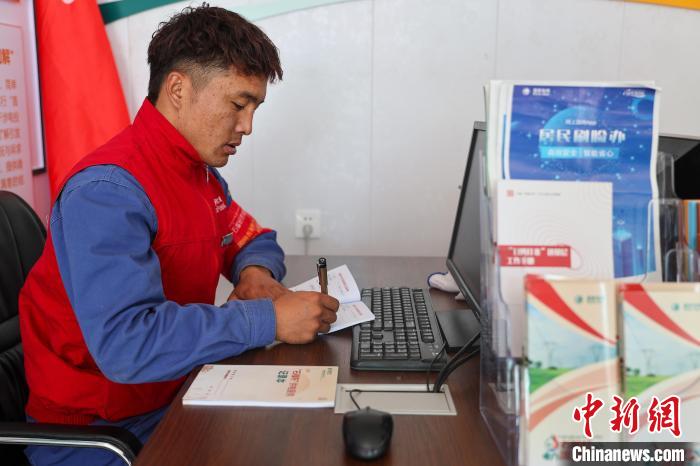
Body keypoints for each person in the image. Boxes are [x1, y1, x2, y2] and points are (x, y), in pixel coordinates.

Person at [19, 5, 339, 465]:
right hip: (97, 432)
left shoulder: (199, 175)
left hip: (175, 393)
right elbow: (128, 344)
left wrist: (254, 273)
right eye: (238, 105)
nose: (248, 126)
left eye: (255, 109)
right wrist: (268, 319)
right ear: (178, 89)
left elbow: (253, 238)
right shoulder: (108, 191)